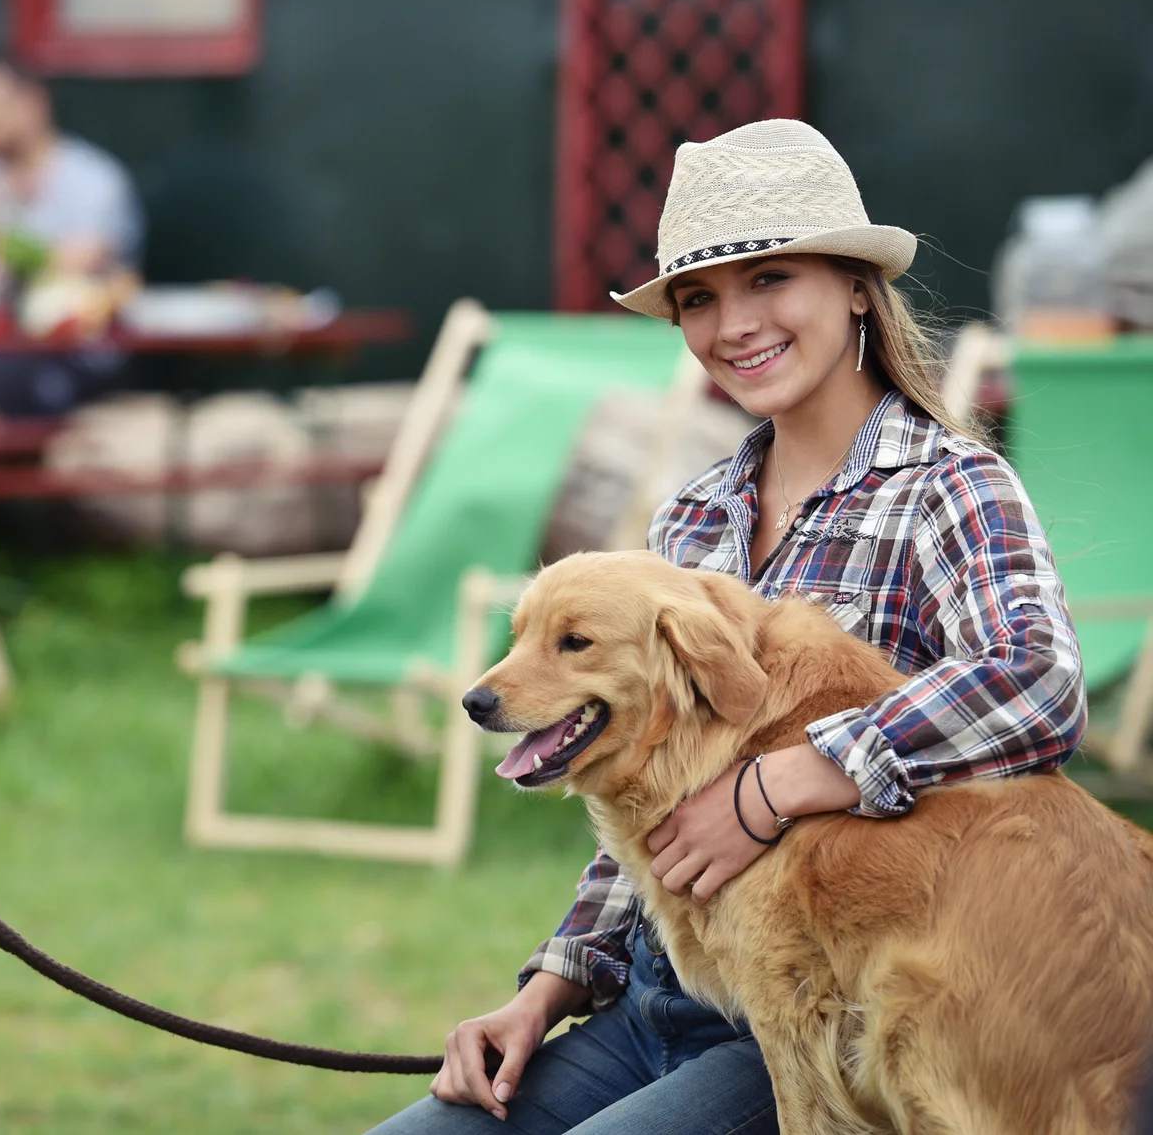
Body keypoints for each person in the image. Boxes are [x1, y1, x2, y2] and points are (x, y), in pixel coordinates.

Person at [371, 119, 1086, 1134]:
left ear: (851, 286)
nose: (732, 323)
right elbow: (642, 789)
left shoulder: (947, 487)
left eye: (768, 279)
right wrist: (551, 984)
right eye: (699, 299)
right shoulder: (693, 516)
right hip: (651, 998)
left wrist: (784, 779)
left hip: (821, 1009)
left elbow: (1038, 684)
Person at [0, 52, 143, 417]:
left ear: (34, 102)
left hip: (74, 360)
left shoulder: (93, 180)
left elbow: (87, 260)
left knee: (13, 381)